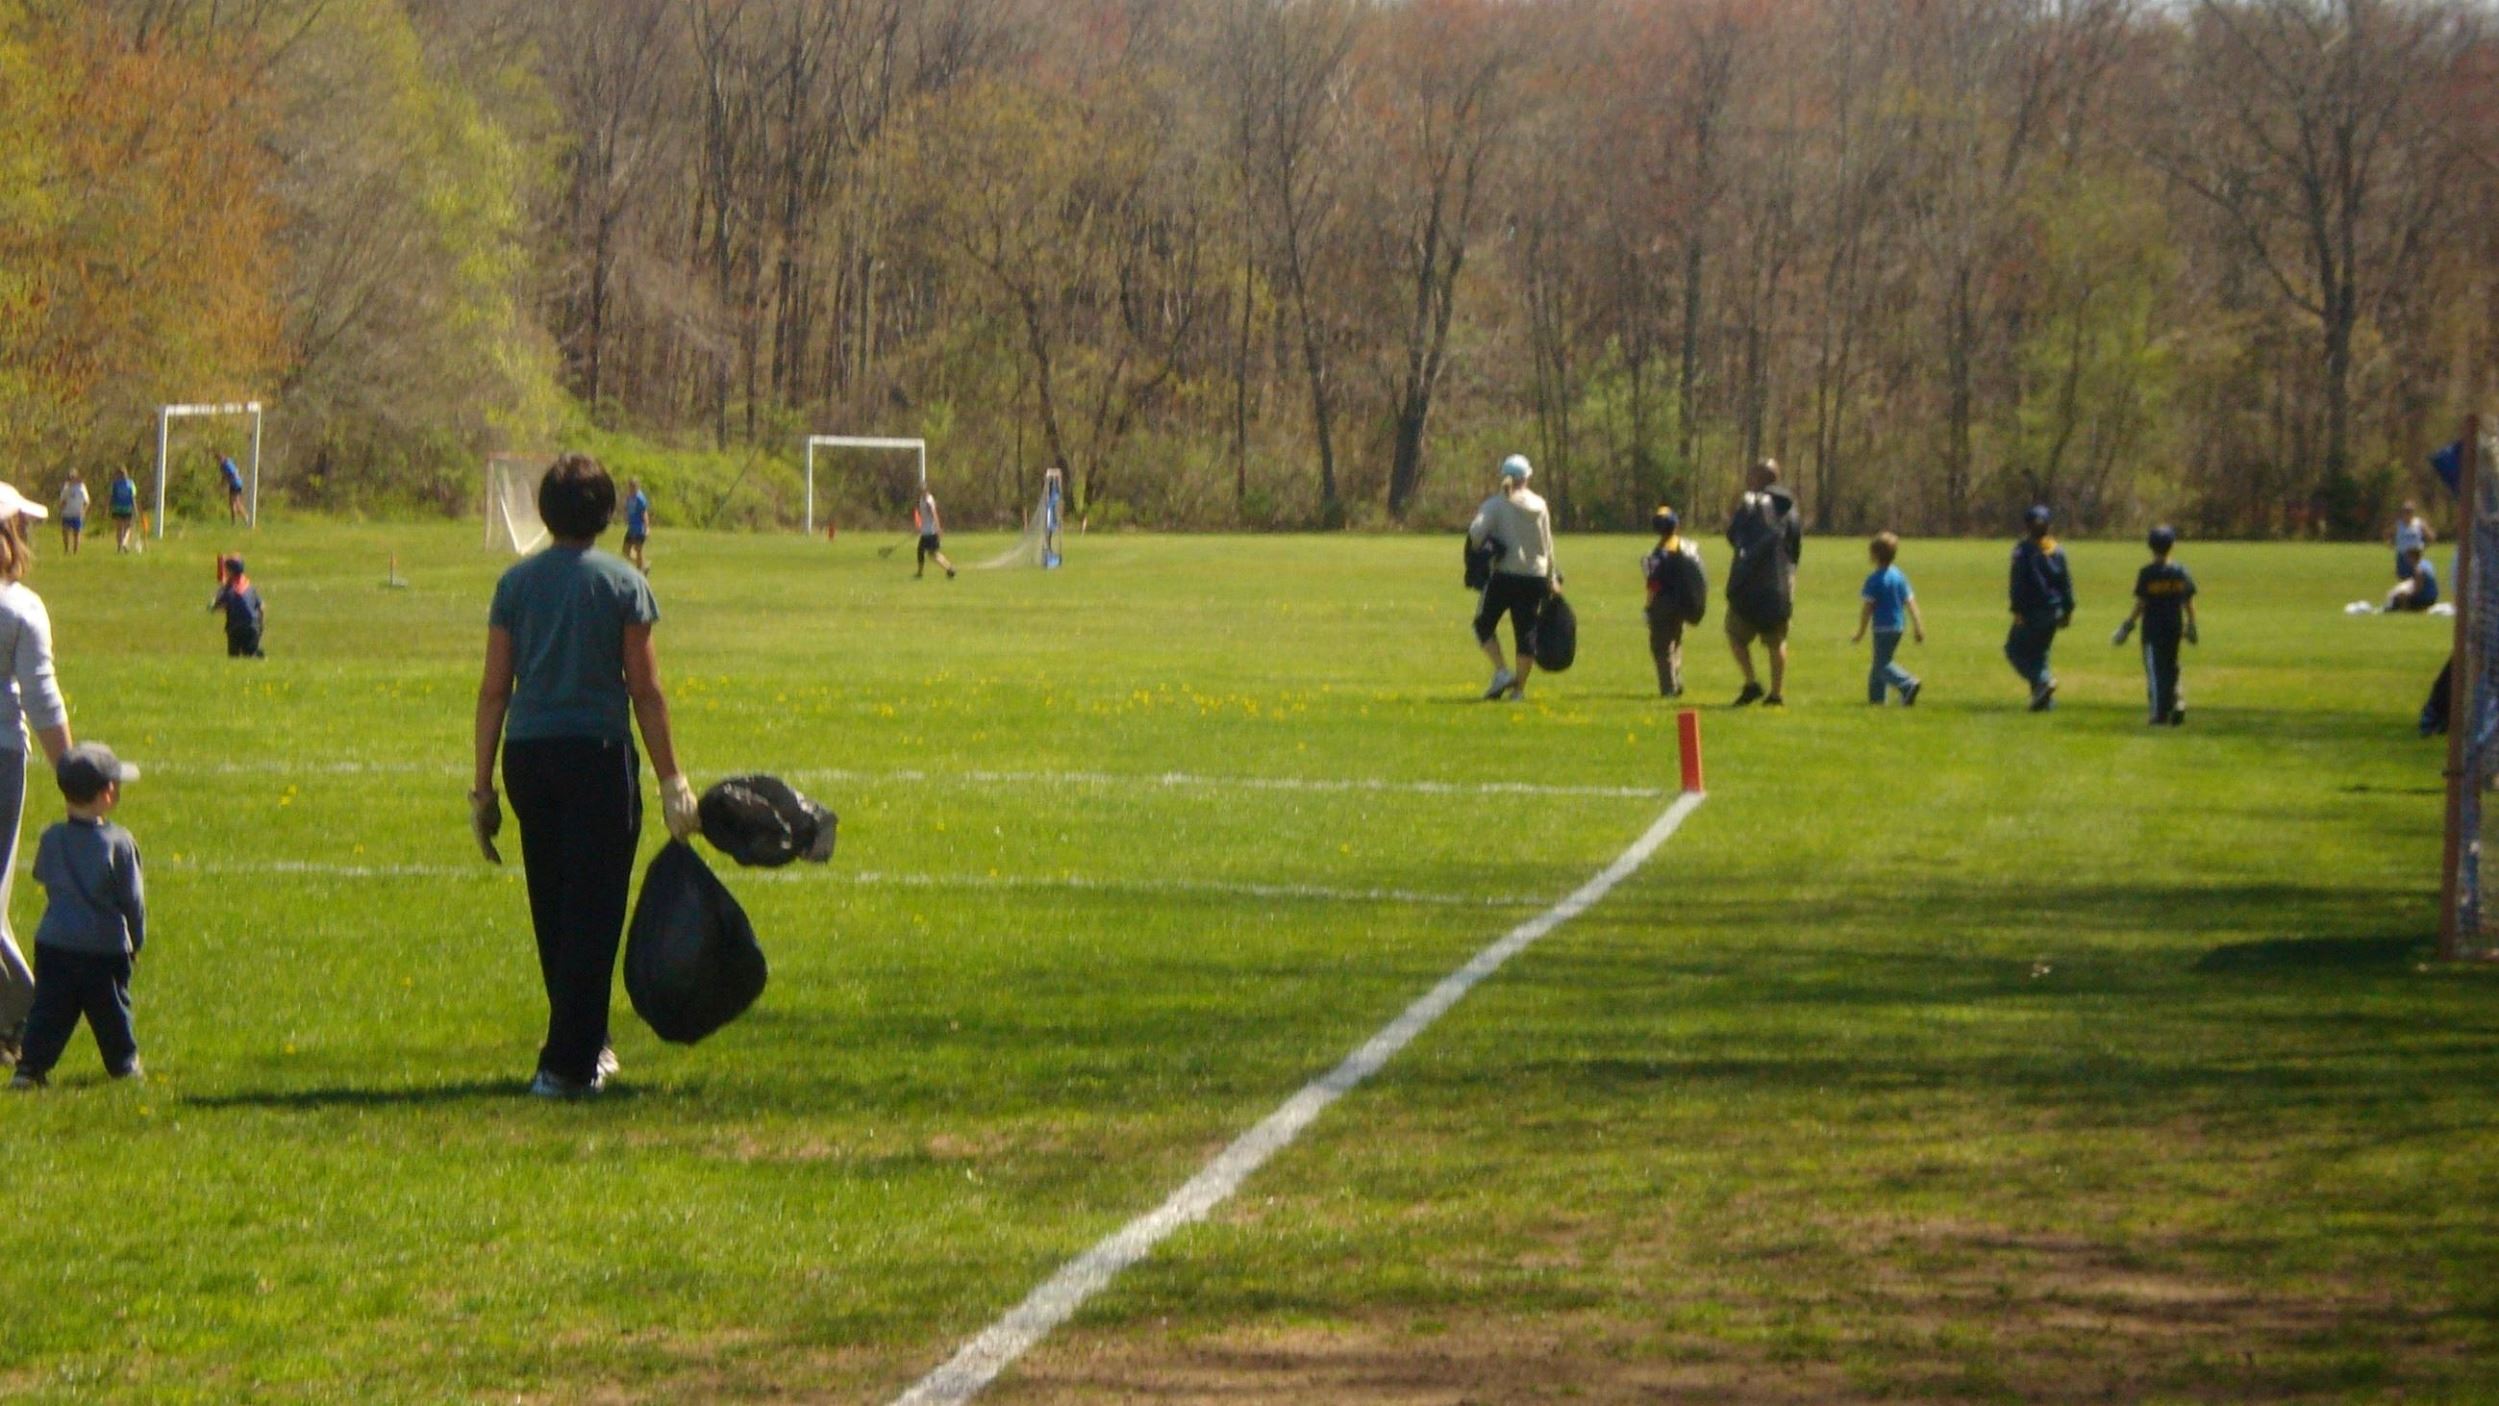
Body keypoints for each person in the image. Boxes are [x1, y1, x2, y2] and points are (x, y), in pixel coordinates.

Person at [471, 453, 700, 1099]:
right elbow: (645, 691)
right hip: (596, 756)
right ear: (605, 513)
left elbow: (493, 691)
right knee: (595, 912)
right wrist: (671, 779)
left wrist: (482, 787)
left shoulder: (515, 585)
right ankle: (565, 1066)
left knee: (553, 905)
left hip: (529, 756)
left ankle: (584, 1043)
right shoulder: (623, 583)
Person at [8, 745, 145, 1090]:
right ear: (108, 793)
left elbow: (44, 875)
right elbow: (133, 900)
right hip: (104, 946)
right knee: (111, 1010)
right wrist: (136, 939)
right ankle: (124, 1064)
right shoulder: (119, 843)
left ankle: (30, 1068)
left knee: (49, 1010)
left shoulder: (52, 837)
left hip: (54, 942)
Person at [0, 485, 74, 1072]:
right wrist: (69, 771)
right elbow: (43, 701)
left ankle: (21, 1010)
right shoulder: (21, 607)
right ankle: (25, 1009)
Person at [1467, 454, 1557, 702]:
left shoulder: (1496, 504)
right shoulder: (1540, 504)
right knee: (1526, 633)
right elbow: (1548, 545)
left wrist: (1487, 546)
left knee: (1483, 624)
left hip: (1505, 574)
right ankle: (1518, 691)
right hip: (1535, 576)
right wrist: (1551, 576)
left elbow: (1475, 533)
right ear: (1528, 477)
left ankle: (1501, 671)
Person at [1724, 458, 1802, 707]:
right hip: (1780, 583)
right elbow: (1795, 550)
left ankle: (1751, 682)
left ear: (1759, 479)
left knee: (1735, 633)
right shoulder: (1791, 509)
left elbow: (1734, 536)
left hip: (1749, 583)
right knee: (1777, 640)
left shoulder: (1750, 504)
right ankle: (1776, 694)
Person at [2112, 525, 2198, 725]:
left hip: (2153, 630)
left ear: (2150, 546)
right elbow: (2188, 601)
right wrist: (2191, 624)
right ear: (2172, 545)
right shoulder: (2180, 571)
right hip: (2174, 627)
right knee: (2171, 667)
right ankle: (2177, 701)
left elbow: (2142, 603)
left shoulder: (2148, 573)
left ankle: (2158, 714)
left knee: (2154, 672)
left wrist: (2127, 626)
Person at [2006, 504, 2076, 712]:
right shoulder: (2058, 551)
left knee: (2015, 651)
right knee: (2040, 653)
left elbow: (2017, 583)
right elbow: (2066, 583)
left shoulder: (2023, 551)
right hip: (2054, 611)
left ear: (2027, 526)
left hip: (2031, 611)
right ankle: (2044, 701)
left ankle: (2042, 682)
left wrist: (2017, 610)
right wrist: (2068, 609)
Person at [1852, 532, 1926, 706]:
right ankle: (1876, 700)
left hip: (1882, 628)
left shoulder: (1875, 580)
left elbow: (1867, 609)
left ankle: (1907, 683)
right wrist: (1917, 626)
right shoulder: (1899, 576)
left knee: (1881, 665)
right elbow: (1910, 602)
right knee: (1880, 662)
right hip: (1898, 626)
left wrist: (1860, 632)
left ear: (1875, 555)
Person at [1640, 505, 1705, 698]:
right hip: (1683, 602)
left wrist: (1648, 606)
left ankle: (1669, 688)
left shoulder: (1658, 553)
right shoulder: (1687, 546)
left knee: (1661, 646)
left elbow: (1653, 584)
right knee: (1676, 641)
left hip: (1663, 603)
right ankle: (1677, 679)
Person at [209, 555, 265, 658]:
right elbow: (261, 606)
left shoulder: (229, 589)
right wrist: (260, 626)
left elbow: (217, 607)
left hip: (235, 628)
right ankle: (257, 655)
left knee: (234, 657)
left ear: (230, 571)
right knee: (250, 655)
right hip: (253, 626)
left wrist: (213, 603)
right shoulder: (249, 586)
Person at [914, 485, 956, 580]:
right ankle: (920, 573)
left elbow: (934, 514)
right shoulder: (922, 499)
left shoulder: (929, 501)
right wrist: (920, 526)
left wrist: (938, 528)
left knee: (932, 554)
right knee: (923, 552)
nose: (922, 492)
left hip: (931, 532)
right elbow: (922, 515)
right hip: (925, 531)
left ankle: (950, 568)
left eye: (924, 490)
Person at [2393, 500, 2433, 578]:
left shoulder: (2419, 523)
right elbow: (2386, 534)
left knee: (2416, 579)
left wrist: (2424, 546)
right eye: (2405, 511)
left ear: (2413, 512)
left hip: (2415, 557)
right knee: (2403, 580)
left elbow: (2431, 536)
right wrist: (2390, 544)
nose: (2407, 513)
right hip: (2402, 556)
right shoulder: (2398, 524)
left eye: (2409, 511)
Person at [621, 479, 652, 574]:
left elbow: (644, 513)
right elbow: (627, 508)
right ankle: (644, 564)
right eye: (630, 487)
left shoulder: (640, 498)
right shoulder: (629, 497)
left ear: (637, 487)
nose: (631, 489)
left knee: (638, 550)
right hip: (631, 528)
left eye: (633, 487)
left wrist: (646, 528)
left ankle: (640, 572)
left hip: (639, 528)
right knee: (625, 551)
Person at [108, 468, 138, 553]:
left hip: (117, 507)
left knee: (119, 528)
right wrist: (135, 508)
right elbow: (133, 497)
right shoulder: (130, 483)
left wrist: (108, 507)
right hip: (127, 508)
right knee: (127, 527)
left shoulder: (115, 484)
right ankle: (124, 542)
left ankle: (120, 545)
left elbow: (111, 496)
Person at [55, 473, 86, 555]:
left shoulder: (82, 488)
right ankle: (66, 549)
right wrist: (61, 510)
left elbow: (86, 501)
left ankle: (75, 551)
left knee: (77, 533)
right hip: (67, 513)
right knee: (65, 532)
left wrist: (83, 511)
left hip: (77, 513)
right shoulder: (66, 489)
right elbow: (63, 501)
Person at [1042, 465, 1065, 567]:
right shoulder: (1051, 500)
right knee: (1048, 533)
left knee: (1050, 534)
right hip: (1050, 518)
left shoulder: (1055, 498)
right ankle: (1048, 552)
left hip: (1053, 518)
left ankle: (1050, 552)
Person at [220, 454, 246, 525]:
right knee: (232, 504)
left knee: (237, 503)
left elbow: (234, 473)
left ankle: (246, 518)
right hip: (233, 485)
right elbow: (224, 476)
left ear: (223, 458)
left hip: (236, 485)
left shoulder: (228, 465)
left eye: (221, 459)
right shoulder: (224, 465)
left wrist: (229, 478)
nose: (220, 461)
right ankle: (234, 523)